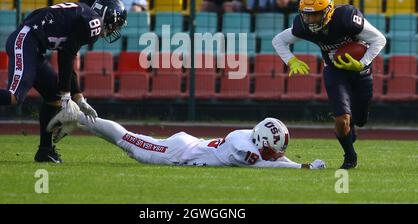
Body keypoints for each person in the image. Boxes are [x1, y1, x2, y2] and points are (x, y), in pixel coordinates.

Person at [0, 0, 128, 163]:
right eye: (116, 23)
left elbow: (68, 59)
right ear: (108, 14)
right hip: (26, 41)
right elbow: (66, 55)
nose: (114, 29)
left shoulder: (88, 17)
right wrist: (67, 95)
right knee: (15, 96)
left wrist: (78, 98)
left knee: (54, 97)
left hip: (33, 45)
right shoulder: (93, 23)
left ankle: (45, 151)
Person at [272, 0, 386, 169]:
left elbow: (379, 39)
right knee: (341, 119)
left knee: (360, 119)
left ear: (329, 11)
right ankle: (350, 156)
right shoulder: (303, 25)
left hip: (360, 71)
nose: (310, 19)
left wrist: (362, 63)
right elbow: (278, 40)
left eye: (315, 14)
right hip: (334, 70)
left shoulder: (347, 19)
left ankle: (353, 125)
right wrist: (291, 60)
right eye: (306, 14)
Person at [47, 113, 326, 169]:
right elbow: (267, 166)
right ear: (260, 140)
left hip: (188, 145)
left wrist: (299, 164)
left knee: (129, 142)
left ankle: (80, 122)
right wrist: (301, 168)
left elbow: (274, 159)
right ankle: (80, 118)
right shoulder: (243, 149)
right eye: (271, 150)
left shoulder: (248, 137)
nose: (274, 155)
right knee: (130, 143)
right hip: (176, 152)